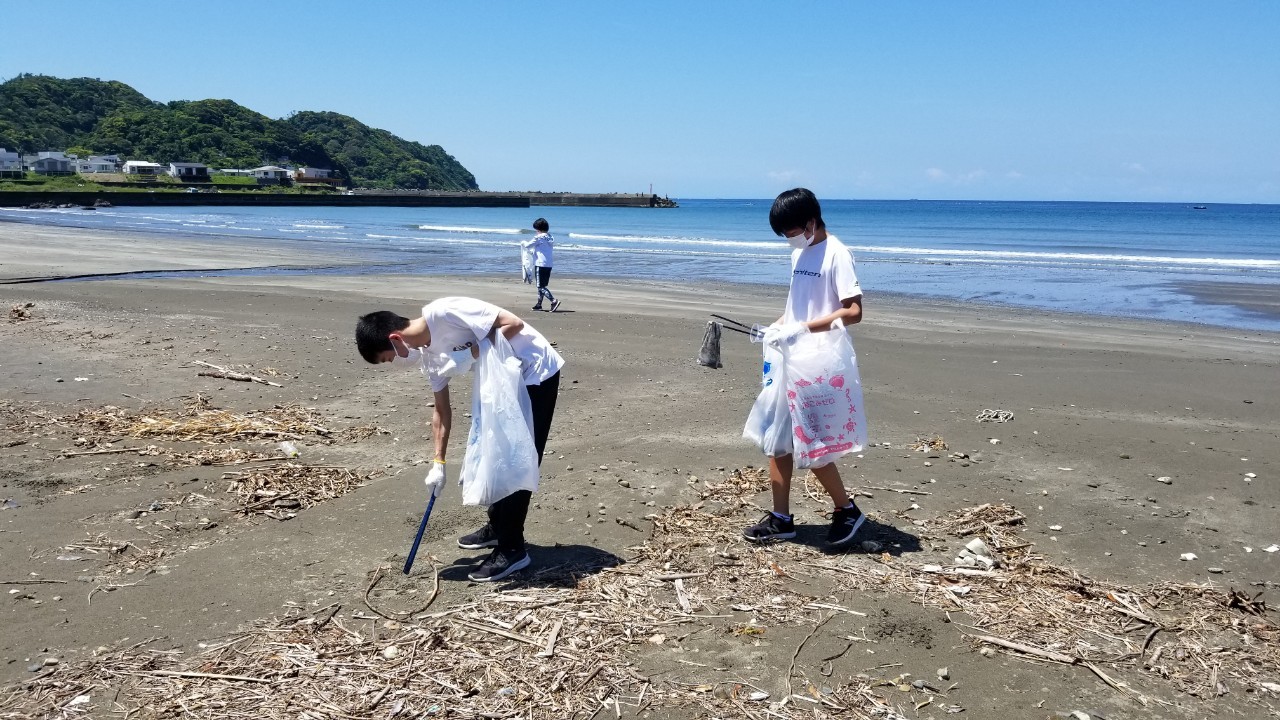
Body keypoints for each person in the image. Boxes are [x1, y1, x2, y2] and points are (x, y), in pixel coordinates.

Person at [355, 298, 564, 582]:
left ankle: (513, 548)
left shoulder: (445, 312)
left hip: (534, 371)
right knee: (496, 450)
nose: (395, 364)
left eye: (389, 358)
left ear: (395, 339)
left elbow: (512, 324)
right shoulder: (429, 359)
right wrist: (438, 463)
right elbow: (441, 411)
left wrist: (469, 355)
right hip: (502, 377)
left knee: (518, 456)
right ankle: (498, 526)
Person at [743, 188, 868, 547]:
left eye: (792, 232)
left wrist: (801, 329)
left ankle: (847, 510)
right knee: (777, 439)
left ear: (811, 222)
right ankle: (782, 519)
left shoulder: (837, 254)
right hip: (791, 359)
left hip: (820, 364)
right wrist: (775, 327)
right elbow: (798, 307)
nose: (789, 239)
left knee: (813, 444)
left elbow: (854, 311)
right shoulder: (801, 254)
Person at [522, 218, 561, 312]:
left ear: (538, 229)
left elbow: (528, 245)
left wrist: (523, 242)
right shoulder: (550, 237)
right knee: (542, 285)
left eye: (536, 229)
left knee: (540, 286)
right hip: (549, 264)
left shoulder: (539, 237)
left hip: (540, 263)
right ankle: (539, 305)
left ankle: (553, 301)